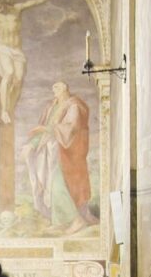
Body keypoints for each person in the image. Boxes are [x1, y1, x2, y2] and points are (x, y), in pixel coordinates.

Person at [23, 80, 97, 233]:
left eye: (57, 87)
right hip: (51, 151)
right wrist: (32, 144)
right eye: (53, 88)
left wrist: (45, 129)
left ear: (65, 89)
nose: (54, 90)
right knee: (51, 184)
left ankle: (76, 220)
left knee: (57, 184)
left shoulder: (74, 106)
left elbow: (71, 129)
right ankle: (60, 221)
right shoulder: (51, 107)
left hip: (67, 152)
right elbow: (43, 131)